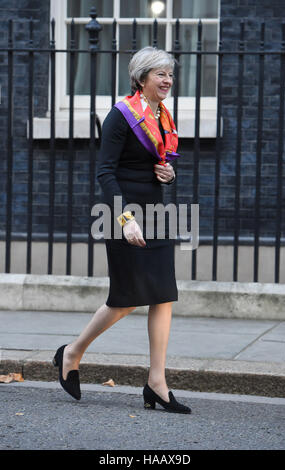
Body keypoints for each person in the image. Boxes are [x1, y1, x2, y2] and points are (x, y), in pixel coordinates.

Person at [53, 47, 191, 414]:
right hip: (125, 213)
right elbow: (105, 173)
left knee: (163, 295)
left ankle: (157, 383)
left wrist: (169, 174)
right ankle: (72, 352)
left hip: (157, 211)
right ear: (141, 77)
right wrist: (125, 219)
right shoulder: (121, 115)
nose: (167, 81)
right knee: (126, 298)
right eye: (160, 74)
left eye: (170, 75)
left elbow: (160, 163)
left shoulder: (162, 115)